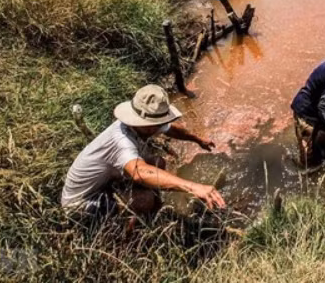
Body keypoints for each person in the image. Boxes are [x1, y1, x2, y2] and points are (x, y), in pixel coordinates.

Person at [61, 84, 226, 218]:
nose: (160, 127)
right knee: (146, 199)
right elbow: (140, 172)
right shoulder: (122, 141)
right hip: (81, 204)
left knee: (158, 163)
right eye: (156, 124)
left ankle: (152, 209)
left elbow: (171, 129)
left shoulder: (144, 125)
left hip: (104, 183)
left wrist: (198, 139)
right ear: (142, 123)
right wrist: (193, 187)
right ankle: (130, 234)